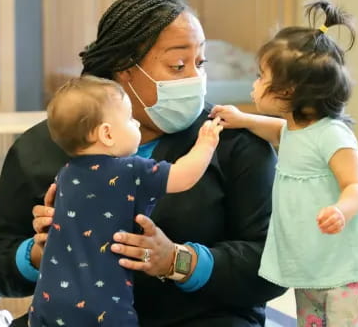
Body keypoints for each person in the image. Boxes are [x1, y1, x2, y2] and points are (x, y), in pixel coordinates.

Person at [0, 0, 286, 327]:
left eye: (200, 64)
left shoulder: (232, 142)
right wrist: (40, 251)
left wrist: (179, 262)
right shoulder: (42, 146)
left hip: (203, 317)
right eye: (178, 66)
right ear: (124, 68)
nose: (195, 80)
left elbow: (275, 265)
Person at [210, 0, 358, 326]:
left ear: (288, 91)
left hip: (345, 267)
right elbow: (279, 132)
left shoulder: (332, 134)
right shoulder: (294, 128)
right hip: (312, 262)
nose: (255, 83)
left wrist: (340, 210)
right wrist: (242, 119)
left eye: (261, 77)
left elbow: (356, 184)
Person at [29, 76, 222, 327]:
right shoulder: (131, 170)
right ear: (107, 134)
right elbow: (183, 176)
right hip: (105, 309)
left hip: (47, 303)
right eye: (131, 118)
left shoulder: (65, 173)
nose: (137, 125)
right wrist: (206, 143)